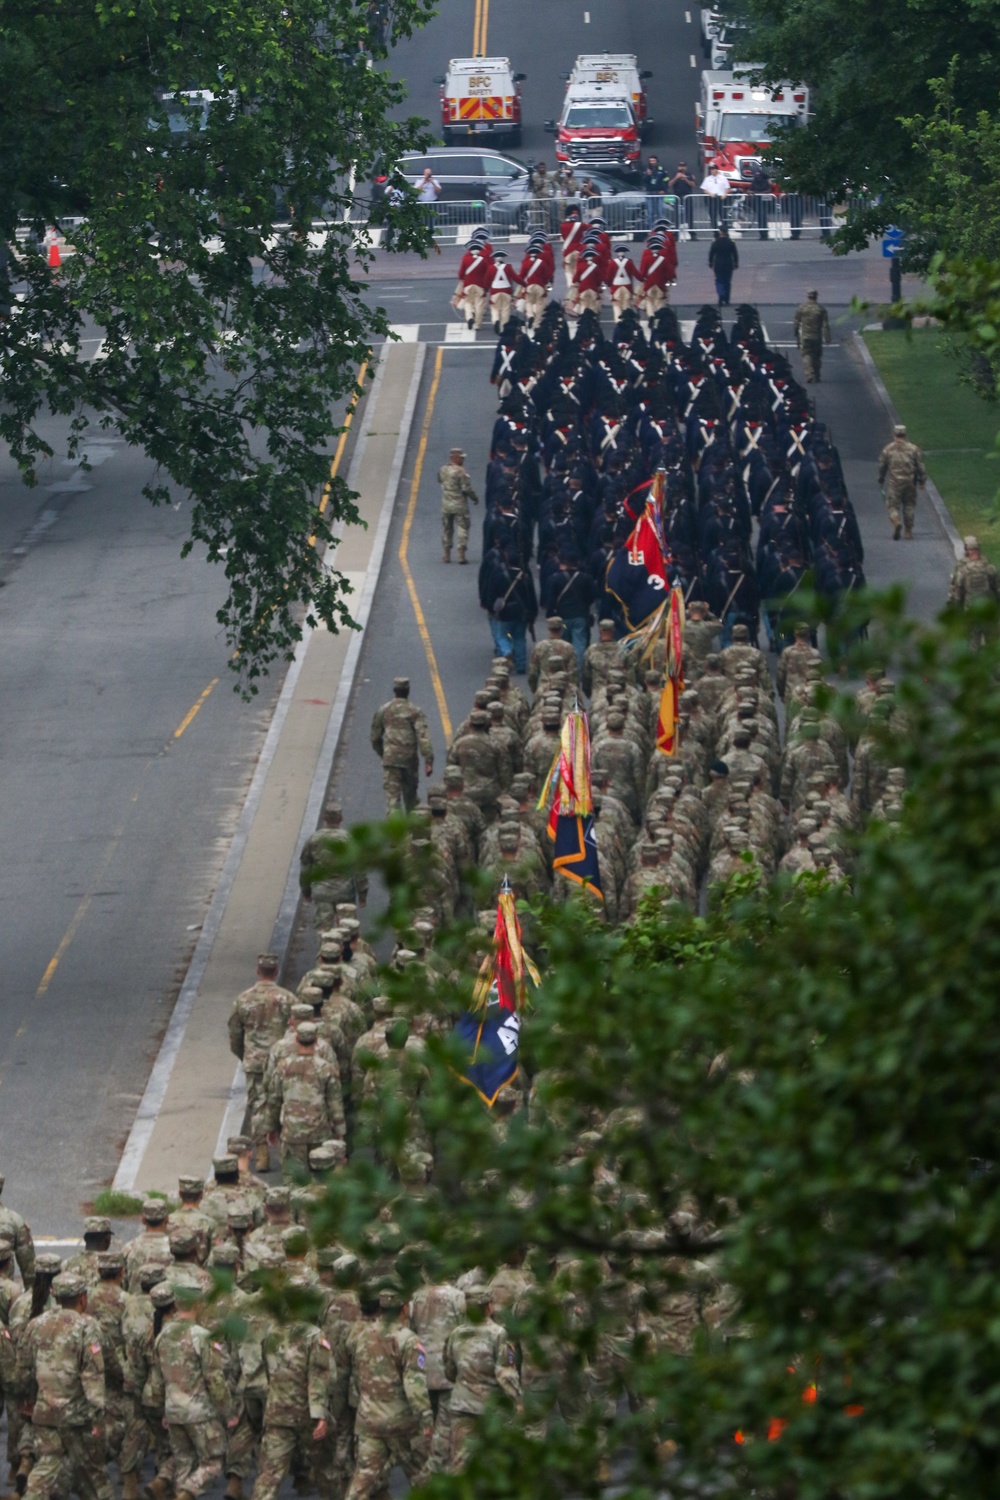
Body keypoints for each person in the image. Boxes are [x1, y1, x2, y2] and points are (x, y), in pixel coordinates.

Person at [18, 1271, 113, 1500]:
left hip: (45, 1413)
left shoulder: (36, 1324)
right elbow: (93, 1377)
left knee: (47, 1466)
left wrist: (29, 1399)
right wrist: (98, 1417)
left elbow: (23, 1369)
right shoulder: (87, 1327)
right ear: (83, 1297)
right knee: (94, 1475)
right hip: (78, 1417)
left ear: (56, 1296)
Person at [344, 1284, 433, 1500]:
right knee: (423, 1477)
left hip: (369, 1419)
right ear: (404, 1308)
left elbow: (356, 1374)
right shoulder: (408, 1340)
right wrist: (426, 1417)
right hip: (401, 1422)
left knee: (362, 1480)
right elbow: (414, 1384)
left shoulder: (361, 1336)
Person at [146, 1283, 232, 1500]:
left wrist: (162, 1410)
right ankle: (188, 1493)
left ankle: (179, 1491)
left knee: (183, 1462)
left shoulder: (162, 1336)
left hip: (173, 1410)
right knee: (213, 1462)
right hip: (200, 1412)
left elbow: (157, 1380)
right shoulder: (202, 1336)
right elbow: (214, 1379)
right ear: (198, 1304)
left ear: (175, 1304)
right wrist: (227, 1409)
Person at [228, 954, 295, 1172]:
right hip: (281, 1060)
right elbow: (295, 1028)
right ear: (276, 972)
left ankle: (262, 1153)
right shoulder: (287, 998)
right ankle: (286, 1152)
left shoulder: (243, 999)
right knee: (283, 1102)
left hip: (255, 1061)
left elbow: (235, 1033)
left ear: (258, 971)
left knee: (258, 1104)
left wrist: (245, 1055)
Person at [299, 801, 367, 931]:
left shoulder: (314, 839)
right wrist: (362, 895)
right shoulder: (349, 839)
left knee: (324, 932)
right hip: (345, 892)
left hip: (321, 892)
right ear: (341, 818)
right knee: (347, 930)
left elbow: (305, 869)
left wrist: (306, 891)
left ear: (324, 818)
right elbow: (360, 871)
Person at [370, 677, 434, 813]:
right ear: (408, 691)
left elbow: (375, 737)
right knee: (411, 799)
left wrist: (383, 753)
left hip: (391, 760)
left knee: (393, 801)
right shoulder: (415, 711)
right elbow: (423, 737)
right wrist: (428, 760)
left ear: (394, 691)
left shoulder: (384, 710)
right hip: (409, 761)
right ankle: (412, 824)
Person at [877, 423, 927, 540]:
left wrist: (881, 478)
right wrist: (922, 480)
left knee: (892, 506)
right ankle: (908, 531)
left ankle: (896, 521)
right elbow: (920, 466)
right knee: (909, 505)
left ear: (894, 434)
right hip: (910, 482)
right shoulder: (914, 449)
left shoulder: (888, 449)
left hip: (894, 483)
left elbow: (882, 466)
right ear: (905, 434)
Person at [948, 536, 1000, 645]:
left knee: (973, 640)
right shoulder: (988, 566)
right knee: (991, 641)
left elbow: (956, 590)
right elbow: (997, 588)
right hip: (988, 609)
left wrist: (954, 607)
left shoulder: (962, 568)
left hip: (971, 609)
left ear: (966, 549)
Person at [438, 447, 479, 565]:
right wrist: (474, 498)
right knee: (462, 527)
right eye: (461, 458)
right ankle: (461, 554)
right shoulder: (461, 471)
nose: (463, 460)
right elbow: (466, 488)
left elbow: (440, 481)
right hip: (460, 504)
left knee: (447, 528)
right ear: (455, 458)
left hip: (446, 504)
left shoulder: (443, 469)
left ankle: (446, 554)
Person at [793, 290, 831, 383]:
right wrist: (827, 337)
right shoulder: (821, 309)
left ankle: (810, 374)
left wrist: (796, 334)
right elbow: (825, 325)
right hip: (817, 336)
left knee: (806, 355)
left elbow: (796, 323)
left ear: (808, 296)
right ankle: (817, 375)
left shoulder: (802, 308)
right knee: (817, 356)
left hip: (805, 336)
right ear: (816, 297)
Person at [708, 226, 738, 306]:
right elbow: (735, 254)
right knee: (727, 282)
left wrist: (710, 263)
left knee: (719, 281)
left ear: (720, 232)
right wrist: (736, 263)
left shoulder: (715, 242)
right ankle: (727, 299)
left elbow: (711, 253)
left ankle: (721, 295)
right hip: (728, 264)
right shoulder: (730, 242)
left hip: (718, 264)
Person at [668, 161, 698, 231]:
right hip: (677, 196)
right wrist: (676, 178)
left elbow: (694, 184)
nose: (682, 168)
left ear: (685, 167)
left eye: (683, 166)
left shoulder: (689, 175)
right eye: (680, 166)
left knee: (689, 213)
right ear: (678, 167)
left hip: (687, 196)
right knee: (676, 213)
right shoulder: (674, 174)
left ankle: (691, 230)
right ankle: (676, 230)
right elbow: (669, 184)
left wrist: (686, 179)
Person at [700, 161, 730, 229]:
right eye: (710, 169)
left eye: (713, 169)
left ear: (716, 170)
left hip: (721, 198)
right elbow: (704, 189)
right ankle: (715, 230)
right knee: (713, 215)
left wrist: (725, 194)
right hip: (712, 198)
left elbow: (727, 188)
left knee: (723, 215)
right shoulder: (707, 179)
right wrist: (710, 193)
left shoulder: (723, 178)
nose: (711, 171)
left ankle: (724, 229)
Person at [642, 154, 668, 230]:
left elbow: (666, 180)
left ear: (657, 161)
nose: (652, 162)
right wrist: (648, 175)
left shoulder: (661, 169)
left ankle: (661, 228)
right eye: (650, 161)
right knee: (650, 213)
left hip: (659, 193)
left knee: (660, 212)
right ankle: (651, 229)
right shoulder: (646, 170)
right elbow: (644, 181)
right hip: (650, 193)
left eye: (653, 160)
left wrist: (664, 190)